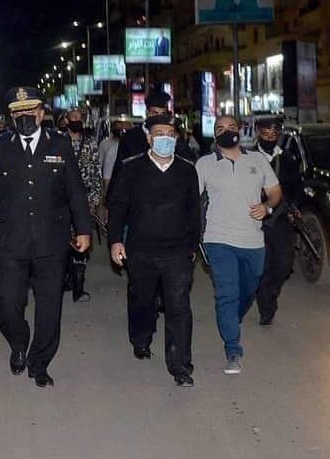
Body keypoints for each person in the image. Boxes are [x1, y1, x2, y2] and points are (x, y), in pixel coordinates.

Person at [0, 87, 91, 388]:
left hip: (51, 240)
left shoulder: (60, 144)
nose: (25, 117)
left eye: (30, 112)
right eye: (18, 113)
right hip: (10, 240)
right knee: (7, 302)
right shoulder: (1, 146)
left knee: (50, 305)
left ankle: (40, 362)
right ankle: (18, 343)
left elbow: (75, 190)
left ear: (41, 114)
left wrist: (83, 229)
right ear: (11, 117)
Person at [108, 115, 200, 387]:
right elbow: (118, 208)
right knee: (142, 300)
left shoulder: (186, 170)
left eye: (171, 134)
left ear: (177, 138)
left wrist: (192, 246)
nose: (165, 139)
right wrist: (116, 240)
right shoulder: (131, 168)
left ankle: (180, 365)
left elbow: (194, 212)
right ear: (149, 138)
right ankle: (141, 338)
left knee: (179, 306)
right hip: (141, 250)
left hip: (177, 251)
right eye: (159, 133)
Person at [196, 115, 282, 375]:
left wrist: (266, 207)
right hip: (217, 239)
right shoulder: (205, 164)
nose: (227, 132)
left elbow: (275, 192)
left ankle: (232, 317)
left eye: (231, 127)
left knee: (248, 290)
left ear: (240, 130)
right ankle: (233, 349)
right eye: (220, 128)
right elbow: (190, 198)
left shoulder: (257, 160)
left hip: (253, 241)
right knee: (227, 293)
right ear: (214, 134)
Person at [254, 119, 303, 326]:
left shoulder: (287, 158)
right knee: (262, 266)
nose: (270, 138)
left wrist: (295, 207)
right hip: (256, 220)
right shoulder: (249, 158)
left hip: (282, 219)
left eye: (274, 135)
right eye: (266, 134)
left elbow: (297, 187)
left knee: (283, 264)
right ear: (258, 133)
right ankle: (266, 306)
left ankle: (270, 294)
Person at [109, 92, 195, 201]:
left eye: (162, 113)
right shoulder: (131, 137)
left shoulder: (172, 137)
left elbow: (187, 165)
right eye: (154, 113)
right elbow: (119, 170)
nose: (158, 117)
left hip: (168, 196)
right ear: (147, 113)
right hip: (137, 198)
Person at [62, 109, 102, 303]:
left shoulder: (90, 143)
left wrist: (94, 200)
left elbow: (96, 173)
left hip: (84, 199)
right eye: (73, 118)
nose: (77, 121)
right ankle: (66, 278)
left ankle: (79, 286)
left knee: (81, 241)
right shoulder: (58, 142)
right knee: (62, 241)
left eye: (80, 118)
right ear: (66, 120)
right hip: (61, 201)